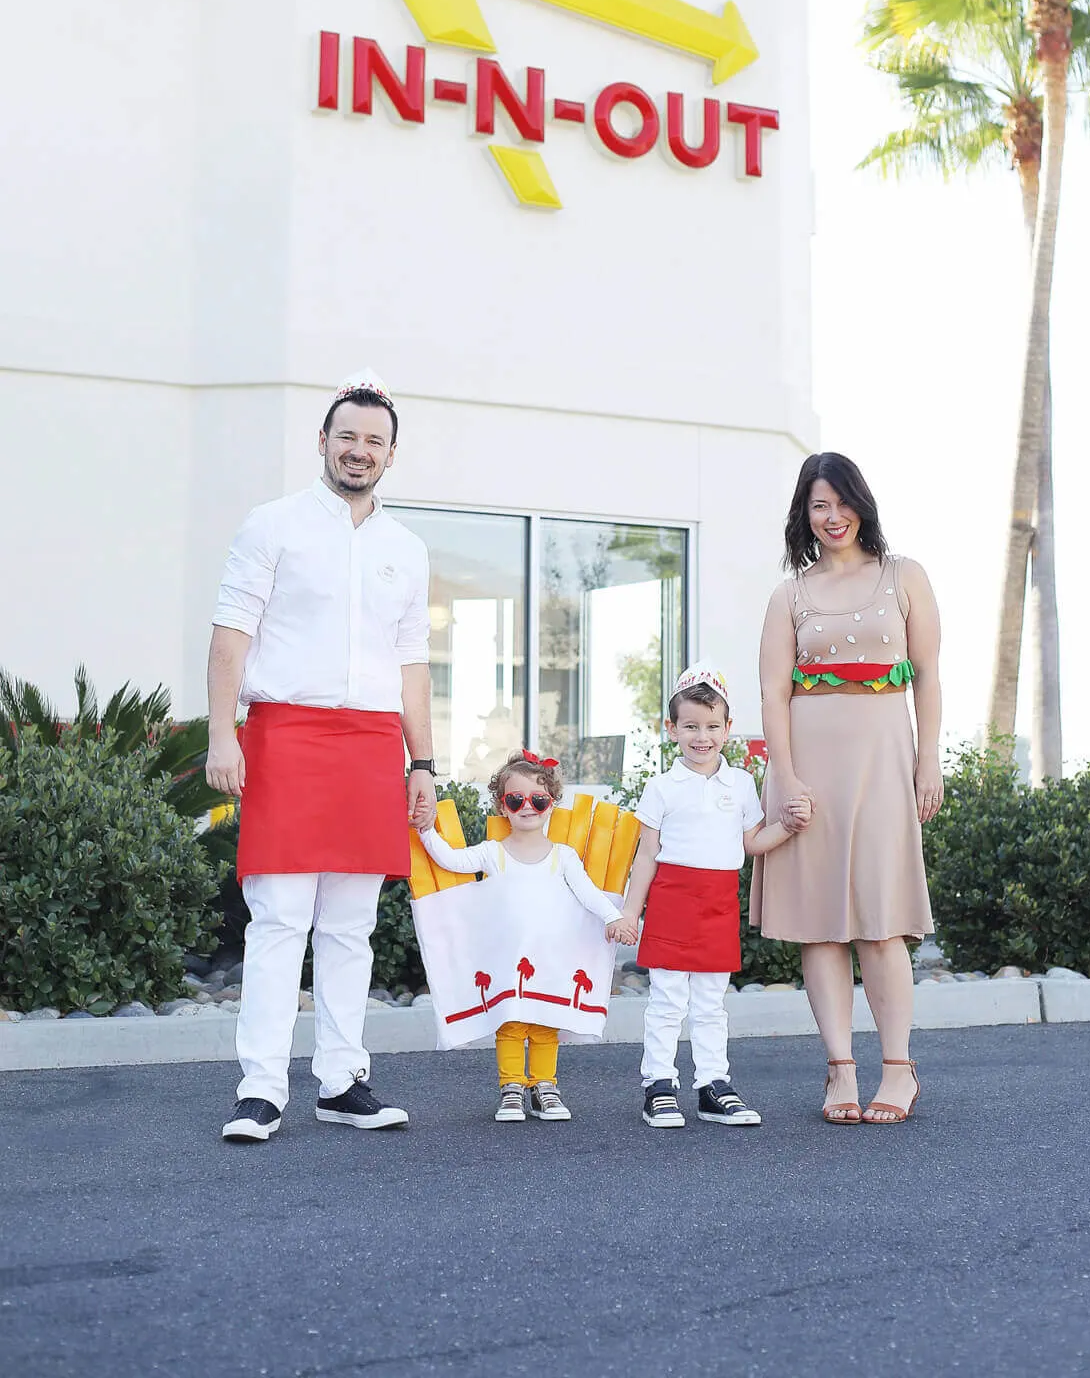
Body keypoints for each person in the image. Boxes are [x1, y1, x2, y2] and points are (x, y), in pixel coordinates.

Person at [205, 369, 437, 1144]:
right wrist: (220, 734)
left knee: (350, 926)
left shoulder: (407, 547)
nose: (359, 450)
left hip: (371, 746)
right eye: (347, 436)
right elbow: (231, 633)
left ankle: (342, 1081)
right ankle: (261, 1090)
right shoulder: (271, 525)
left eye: (374, 440)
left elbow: (411, 665)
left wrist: (423, 765)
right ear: (323, 443)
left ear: (391, 455)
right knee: (277, 923)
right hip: (286, 737)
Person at [752, 451, 943, 1126]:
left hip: (886, 759)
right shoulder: (789, 594)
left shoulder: (904, 576)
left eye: (841, 501)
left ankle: (899, 1067)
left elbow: (926, 675)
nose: (832, 517)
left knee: (881, 923)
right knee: (820, 929)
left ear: (862, 502)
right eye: (817, 506)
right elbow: (773, 693)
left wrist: (929, 761)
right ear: (804, 515)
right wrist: (785, 774)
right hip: (809, 764)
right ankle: (839, 1070)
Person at [612, 667, 807, 1129]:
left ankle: (713, 1087)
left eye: (712, 726)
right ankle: (658, 1086)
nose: (702, 737)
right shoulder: (662, 787)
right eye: (692, 726)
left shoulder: (739, 784)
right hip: (673, 903)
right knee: (666, 1000)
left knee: (710, 1004)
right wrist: (630, 913)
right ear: (672, 729)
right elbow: (647, 855)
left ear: (728, 727)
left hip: (718, 904)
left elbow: (752, 843)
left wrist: (790, 827)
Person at [419, 751, 636, 1123]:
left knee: (545, 1022)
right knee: (511, 1023)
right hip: (507, 960)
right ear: (502, 806)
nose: (527, 807)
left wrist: (614, 918)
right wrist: (426, 830)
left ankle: (545, 1086)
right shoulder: (492, 853)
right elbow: (452, 861)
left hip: (551, 959)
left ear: (551, 804)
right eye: (515, 799)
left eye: (537, 800)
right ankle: (513, 1087)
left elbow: (588, 893)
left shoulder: (563, 857)